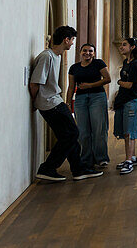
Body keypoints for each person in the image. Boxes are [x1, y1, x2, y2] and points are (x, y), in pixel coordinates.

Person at [29, 25, 102, 182]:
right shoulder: (46, 56)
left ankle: (78, 169)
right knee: (72, 133)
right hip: (50, 103)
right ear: (66, 39)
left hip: (54, 101)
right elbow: (35, 83)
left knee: (68, 136)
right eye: (72, 40)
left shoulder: (57, 56)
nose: (72, 43)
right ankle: (48, 168)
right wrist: (35, 103)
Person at [68, 43, 111, 170]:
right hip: (80, 99)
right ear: (80, 53)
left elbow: (107, 78)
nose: (88, 53)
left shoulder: (99, 64)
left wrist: (90, 85)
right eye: (85, 51)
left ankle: (101, 158)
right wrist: (68, 103)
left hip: (97, 97)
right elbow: (71, 87)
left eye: (91, 51)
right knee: (83, 131)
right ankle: (86, 158)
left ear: (94, 53)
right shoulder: (74, 68)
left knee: (99, 129)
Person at [112, 37, 137, 174]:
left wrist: (119, 83)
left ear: (132, 47)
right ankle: (131, 157)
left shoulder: (136, 64)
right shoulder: (126, 62)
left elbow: (129, 84)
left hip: (132, 99)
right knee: (125, 131)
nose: (121, 47)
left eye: (124, 45)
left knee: (129, 132)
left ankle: (128, 161)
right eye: (121, 45)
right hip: (124, 99)